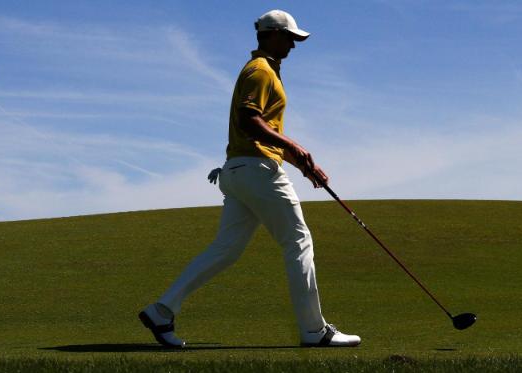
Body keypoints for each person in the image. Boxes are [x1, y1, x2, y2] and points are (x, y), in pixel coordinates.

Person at [139, 9, 361, 349]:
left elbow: (264, 131)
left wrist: (303, 164)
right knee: (298, 242)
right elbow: (249, 120)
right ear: (271, 34)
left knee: (225, 250)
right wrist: (294, 146)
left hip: (239, 171)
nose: (293, 44)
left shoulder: (265, 70)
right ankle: (315, 331)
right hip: (258, 172)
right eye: (289, 37)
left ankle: (161, 310)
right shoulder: (260, 71)